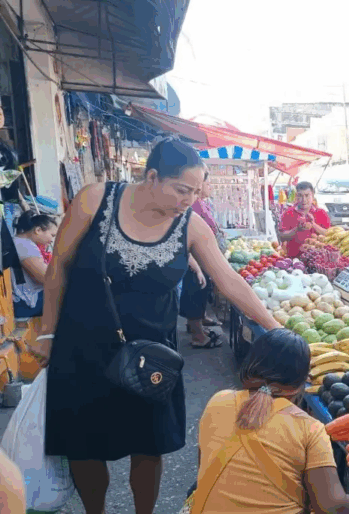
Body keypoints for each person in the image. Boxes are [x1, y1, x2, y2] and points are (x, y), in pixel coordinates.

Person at [28, 138, 282, 514]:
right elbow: (58, 267)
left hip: (154, 355)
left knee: (149, 444)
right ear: (151, 177)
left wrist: (274, 327)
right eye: (182, 189)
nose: (189, 200)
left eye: (196, 191)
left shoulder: (191, 226)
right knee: (85, 444)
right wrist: (48, 331)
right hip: (83, 343)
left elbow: (228, 280)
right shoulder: (94, 200)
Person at [193, 328, 349, 514]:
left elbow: (205, 466)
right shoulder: (309, 428)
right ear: (302, 383)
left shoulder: (218, 400)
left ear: (248, 367)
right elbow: (332, 508)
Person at [181, 171, 223, 349]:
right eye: (208, 183)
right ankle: (198, 335)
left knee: (201, 291)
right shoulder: (192, 206)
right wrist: (197, 266)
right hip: (195, 259)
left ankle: (198, 325)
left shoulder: (201, 204)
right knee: (195, 290)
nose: (209, 187)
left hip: (201, 256)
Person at [11, 211, 58, 318]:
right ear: (38, 230)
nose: (51, 240)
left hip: (25, 301)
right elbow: (47, 279)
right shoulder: (25, 245)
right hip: (26, 304)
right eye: (52, 235)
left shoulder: (20, 242)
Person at [278, 181, 331, 259]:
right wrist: (297, 229)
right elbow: (282, 237)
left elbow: (329, 235)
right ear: (296, 196)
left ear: (312, 196)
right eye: (300, 196)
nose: (304, 199)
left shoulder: (321, 213)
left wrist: (313, 224)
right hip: (294, 260)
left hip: (319, 260)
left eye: (307, 195)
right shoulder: (288, 213)